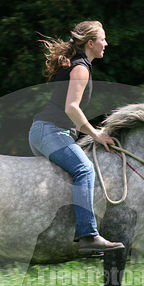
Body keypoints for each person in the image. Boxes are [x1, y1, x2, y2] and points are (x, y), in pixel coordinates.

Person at [29, 21, 125, 254]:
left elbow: (71, 114)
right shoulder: (81, 68)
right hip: (50, 131)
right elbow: (71, 108)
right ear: (91, 43)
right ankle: (88, 235)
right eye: (102, 39)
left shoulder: (79, 65)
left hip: (47, 131)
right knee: (85, 170)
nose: (106, 43)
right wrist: (96, 134)